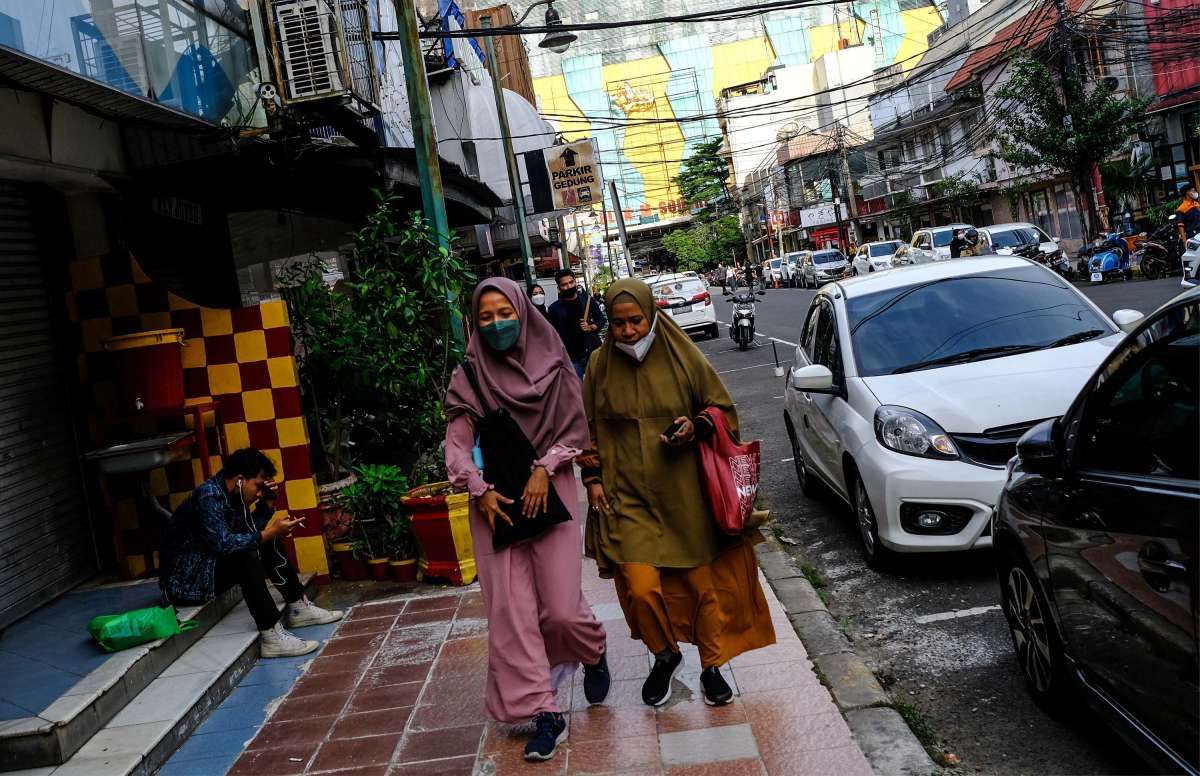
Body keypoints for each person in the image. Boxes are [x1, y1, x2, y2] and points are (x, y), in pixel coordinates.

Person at [580, 278, 775, 709]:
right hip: (626, 494)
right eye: (618, 324)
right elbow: (588, 428)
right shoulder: (598, 365)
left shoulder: (683, 355)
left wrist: (697, 425)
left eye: (636, 321)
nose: (628, 332)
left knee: (701, 585)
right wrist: (592, 480)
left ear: (651, 315)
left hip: (686, 492)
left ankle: (711, 666)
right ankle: (664, 654)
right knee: (640, 585)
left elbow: (721, 407)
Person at [445, 277, 609, 762]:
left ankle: (593, 649)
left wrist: (545, 466)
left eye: (504, 313)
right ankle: (545, 712)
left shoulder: (556, 365)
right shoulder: (468, 376)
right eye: (486, 317)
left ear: (522, 311)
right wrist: (478, 488)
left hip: (551, 490)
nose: (496, 324)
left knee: (559, 609)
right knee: (511, 615)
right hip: (493, 504)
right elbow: (457, 445)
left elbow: (575, 430)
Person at [159, 448, 343, 658]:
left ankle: (298, 607)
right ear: (240, 479)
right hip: (186, 582)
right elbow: (225, 545)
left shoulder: (231, 494)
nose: (258, 493)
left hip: (209, 568)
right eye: (257, 485)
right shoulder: (208, 496)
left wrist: (267, 505)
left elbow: (248, 534)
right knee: (246, 555)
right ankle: (271, 635)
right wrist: (269, 532)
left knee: (265, 539)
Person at [547, 269, 606, 378]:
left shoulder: (588, 300)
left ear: (575, 282)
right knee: (577, 389)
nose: (569, 286)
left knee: (598, 385)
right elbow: (553, 335)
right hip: (571, 357)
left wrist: (592, 327)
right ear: (559, 288)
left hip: (592, 351)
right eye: (564, 284)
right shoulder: (554, 309)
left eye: (571, 282)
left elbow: (601, 319)